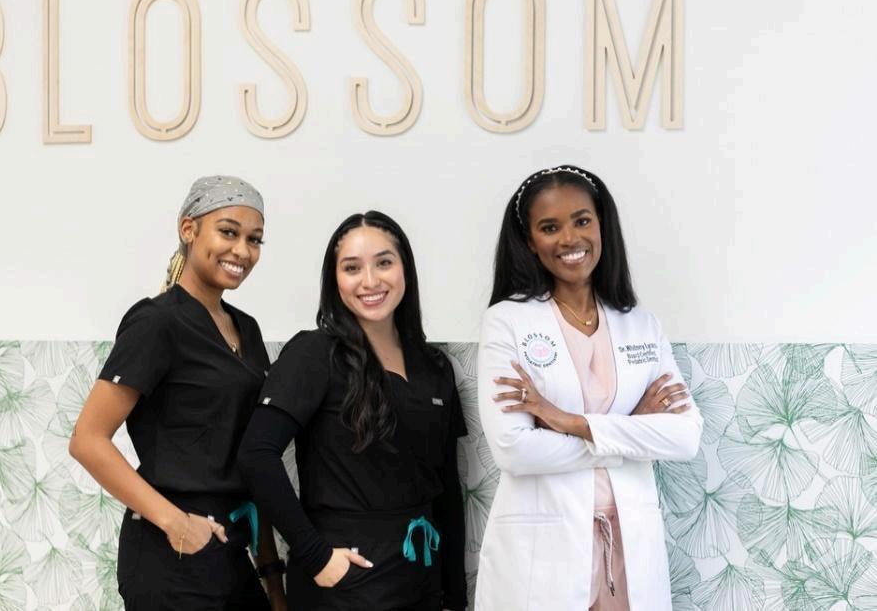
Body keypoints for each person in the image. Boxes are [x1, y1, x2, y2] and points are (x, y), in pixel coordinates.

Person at [474, 166, 703, 611]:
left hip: (629, 546)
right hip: (545, 551)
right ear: (529, 241)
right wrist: (629, 432)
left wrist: (569, 422)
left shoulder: (641, 325)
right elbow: (514, 450)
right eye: (549, 227)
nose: (569, 238)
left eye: (581, 220)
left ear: (601, 225)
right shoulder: (507, 321)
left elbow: (685, 436)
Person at [69, 176, 286, 611]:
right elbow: (87, 440)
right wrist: (176, 523)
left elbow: (254, 455)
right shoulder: (156, 322)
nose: (242, 251)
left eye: (254, 239)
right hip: (172, 554)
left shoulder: (247, 328)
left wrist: (271, 578)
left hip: (234, 549)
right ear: (189, 229)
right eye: (228, 232)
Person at [238, 211, 467, 611]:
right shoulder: (314, 353)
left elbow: (447, 486)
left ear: (405, 269)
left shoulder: (435, 367)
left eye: (384, 262)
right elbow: (256, 454)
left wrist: (455, 596)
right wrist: (316, 557)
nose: (370, 280)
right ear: (335, 280)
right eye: (352, 268)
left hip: (422, 576)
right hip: (345, 579)